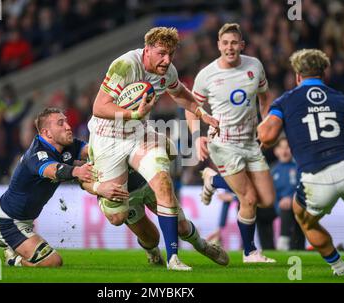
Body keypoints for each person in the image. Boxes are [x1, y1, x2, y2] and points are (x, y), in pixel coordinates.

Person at [0, 108, 127, 267]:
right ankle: (15, 260)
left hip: (11, 216)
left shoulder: (67, 145)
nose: (68, 126)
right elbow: (52, 170)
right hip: (10, 222)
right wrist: (77, 172)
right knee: (53, 261)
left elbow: (92, 150)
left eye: (66, 121)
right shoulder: (36, 154)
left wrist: (118, 145)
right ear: (46, 132)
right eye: (61, 123)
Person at [88, 27, 219, 271]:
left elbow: (179, 93)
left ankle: (173, 258)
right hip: (108, 138)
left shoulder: (167, 71)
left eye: (170, 54)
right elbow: (98, 107)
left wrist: (202, 113)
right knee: (117, 217)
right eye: (161, 53)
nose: (166, 60)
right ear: (146, 50)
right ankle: (132, 199)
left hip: (139, 135)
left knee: (163, 179)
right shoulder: (125, 65)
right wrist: (133, 113)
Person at [258, 49, 344, 276]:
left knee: (303, 217)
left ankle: (340, 268)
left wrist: (264, 118)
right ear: (324, 74)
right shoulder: (341, 98)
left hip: (315, 178)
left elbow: (268, 138)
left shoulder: (286, 101)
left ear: (298, 75)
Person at [186, 23, 276, 263]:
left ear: (242, 45)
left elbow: (265, 98)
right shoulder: (207, 75)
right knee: (248, 198)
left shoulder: (254, 66)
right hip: (223, 142)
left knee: (266, 200)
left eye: (234, 42)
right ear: (219, 46)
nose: (230, 47)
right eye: (225, 43)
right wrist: (197, 139)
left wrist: (265, 124)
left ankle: (212, 180)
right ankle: (250, 253)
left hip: (250, 141)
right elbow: (191, 108)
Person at [81, 143, 229, 267]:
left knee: (182, 228)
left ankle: (202, 246)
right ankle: (153, 253)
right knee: (151, 239)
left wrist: (160, 146)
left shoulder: (137, 131)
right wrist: (98, 189)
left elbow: (170, 151)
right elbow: (84, 178)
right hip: (125, 196)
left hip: (149, 185)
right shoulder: (100, 143)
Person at [271, 138, 305, 251]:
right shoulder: (272, 170)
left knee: (288, 206)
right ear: (276, 151)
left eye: (287, 147)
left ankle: (284, 240)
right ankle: (266, 247)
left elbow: (305, 188)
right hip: (277, 207)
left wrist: (292, 199)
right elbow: (270, 193)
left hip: (297, 205)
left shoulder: (299, 168)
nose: (284, 151)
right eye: (281, 147)